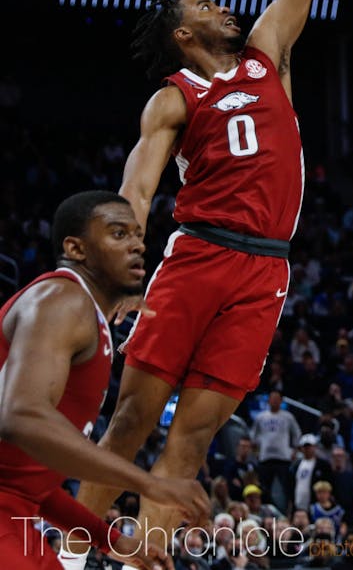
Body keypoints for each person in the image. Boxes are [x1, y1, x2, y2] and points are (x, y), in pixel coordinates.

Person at [62, 0, 353, 567]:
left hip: (266, 269)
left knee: (192, 439)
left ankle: (143, 561)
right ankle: (67, 556)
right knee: (132, 417)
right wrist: (124, 282)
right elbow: (136, 190)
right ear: (181, 35)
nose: (221, 8)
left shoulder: (269, 53)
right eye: (203, 5)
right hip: (197, 255)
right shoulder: (174, 97)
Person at [0, 191, 209, 569]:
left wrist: (115, 542)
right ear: (76, 249)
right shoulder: (61, 300)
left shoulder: (82, 315)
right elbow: (21, 416)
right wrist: (149, 483)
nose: (136, 246)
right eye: (118, 234)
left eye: (138, 236)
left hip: (16, 512)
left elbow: (30, 484)